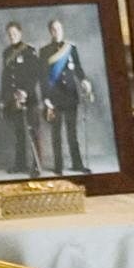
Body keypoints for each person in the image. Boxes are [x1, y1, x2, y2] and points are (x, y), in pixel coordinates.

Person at [41, 15, 92, 173]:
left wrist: (84, 80)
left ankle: (77, 164)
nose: (56, 31)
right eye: (53, 29)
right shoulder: (45, 51)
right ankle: (58, 166)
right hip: (54, 97)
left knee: (72, 133)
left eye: (59, 28)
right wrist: (46, 99)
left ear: (62, 30)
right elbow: (42, 77)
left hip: (70, 96)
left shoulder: (71, 48)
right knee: (56, 133)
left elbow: (78, 69)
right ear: (50, 31)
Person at [0, 19, 46, 175]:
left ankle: (37, 166)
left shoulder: (29, 51)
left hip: (29, 98)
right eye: (9, 34)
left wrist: (25, 91)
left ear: (20, 33)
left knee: (33, 131)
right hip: (13, 99)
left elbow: (36, 74)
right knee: (19, 133)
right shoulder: (6, 53)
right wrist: (4, 99)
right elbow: (5, 78)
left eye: (14, 33)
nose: (12, 36)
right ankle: (20, 164)